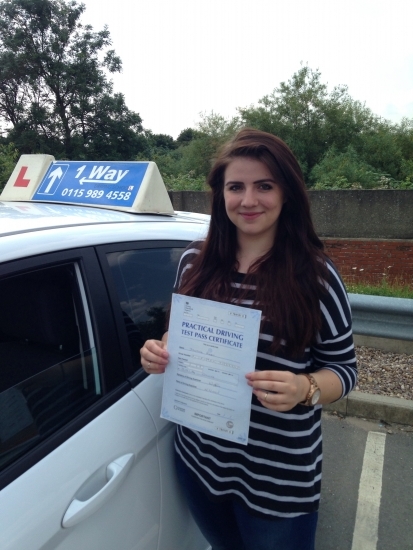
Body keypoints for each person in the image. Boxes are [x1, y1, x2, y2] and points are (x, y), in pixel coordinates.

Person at [140, 128, 357, 550]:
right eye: (235, 186)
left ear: (287, 193)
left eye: (264, 186)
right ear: (221, 195)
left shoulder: (316, 277)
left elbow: (345, 370)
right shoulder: (193, 262)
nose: (249, 200)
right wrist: (159, 350)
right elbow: (178, 333)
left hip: (277, 484)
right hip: (199, 464)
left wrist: (305, 387)